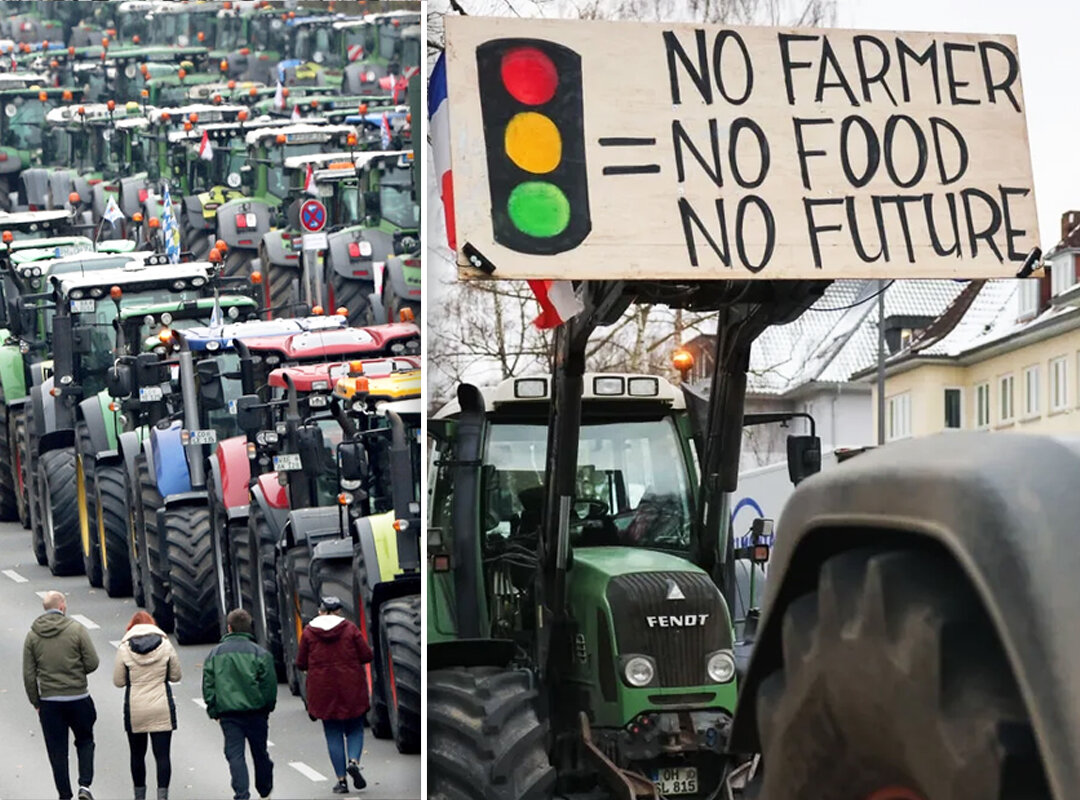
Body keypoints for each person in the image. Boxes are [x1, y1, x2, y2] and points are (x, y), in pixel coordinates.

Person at [22, 590, 100, 800]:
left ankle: (64, 795)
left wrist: (36, 701)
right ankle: (85, 785)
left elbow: (29, 674)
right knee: (85, 740)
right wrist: (77, 672)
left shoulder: (32, 636)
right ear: (63, 607)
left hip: (50, 703)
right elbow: (92, 662)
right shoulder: (77, 630)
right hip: (78, 698)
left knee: (57, 751)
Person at [295, 596, 373, 794]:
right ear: (338, 611)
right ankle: (354, 760)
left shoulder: (309, 633)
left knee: (333, 733)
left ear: (320, 611)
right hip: (350, 686)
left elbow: (301, 662)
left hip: (323, 690)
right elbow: (366, 655)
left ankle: (341, 781)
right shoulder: (350, 629)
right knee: (355, 727)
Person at [203, 608, 277, 800]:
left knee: (234, 755)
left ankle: (241, 794)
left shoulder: (215, 654)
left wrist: (213, 710)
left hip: (228, 714)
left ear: (229, 628)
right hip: (256, 712)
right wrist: (267, 707)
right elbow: (269, 685)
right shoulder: (260, 653)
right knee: (260, 752)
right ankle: (264, 787)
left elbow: (209, 685)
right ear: (249, 628)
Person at [113, 611, 181, 800]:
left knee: (137, 755)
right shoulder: (165, 645)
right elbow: (176, 675)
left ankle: (139, 795)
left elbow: (118, 681)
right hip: (161, 706)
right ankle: (162, 795)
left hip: (135, 708)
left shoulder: (125, 648)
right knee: (162, 755)